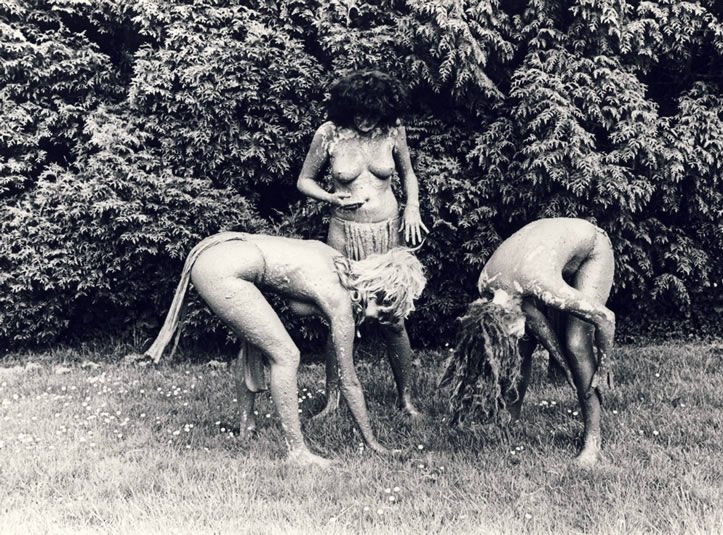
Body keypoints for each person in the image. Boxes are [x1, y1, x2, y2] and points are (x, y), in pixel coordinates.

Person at [142, 232, 426, 467]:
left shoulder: (336, 261)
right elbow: (348, 381)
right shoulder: (340, 300)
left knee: (259, 336)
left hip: (221, 253)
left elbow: (294, 297)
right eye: (382, 309)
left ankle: (247, 426)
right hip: (223, 269)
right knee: (287, 356)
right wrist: (373, 444)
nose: (376, 318)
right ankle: (297, 453)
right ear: (377, 289)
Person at [296, 70, 428, 418]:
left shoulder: (393, 131)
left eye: (371, 114)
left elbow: (408, 174)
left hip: (387, 235)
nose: (364, 120)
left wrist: (412, 208)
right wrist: (330, 198)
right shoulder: (329, 134)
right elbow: (304, 181)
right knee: (339, 317)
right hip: (344, 233)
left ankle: (406, 400)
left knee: (394, 319)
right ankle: (332, 400)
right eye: (357, 113)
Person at [441, 218, 615, 466]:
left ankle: (592, 441)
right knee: (522, 346)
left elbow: (606, 319)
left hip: (593, 249)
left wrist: (604, 366)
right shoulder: (487, 287)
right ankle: (510, 421)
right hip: (539, 258)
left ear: (513, 313)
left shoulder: (540, 284)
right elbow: (535, 322)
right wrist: (563, 366)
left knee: (576, 343)